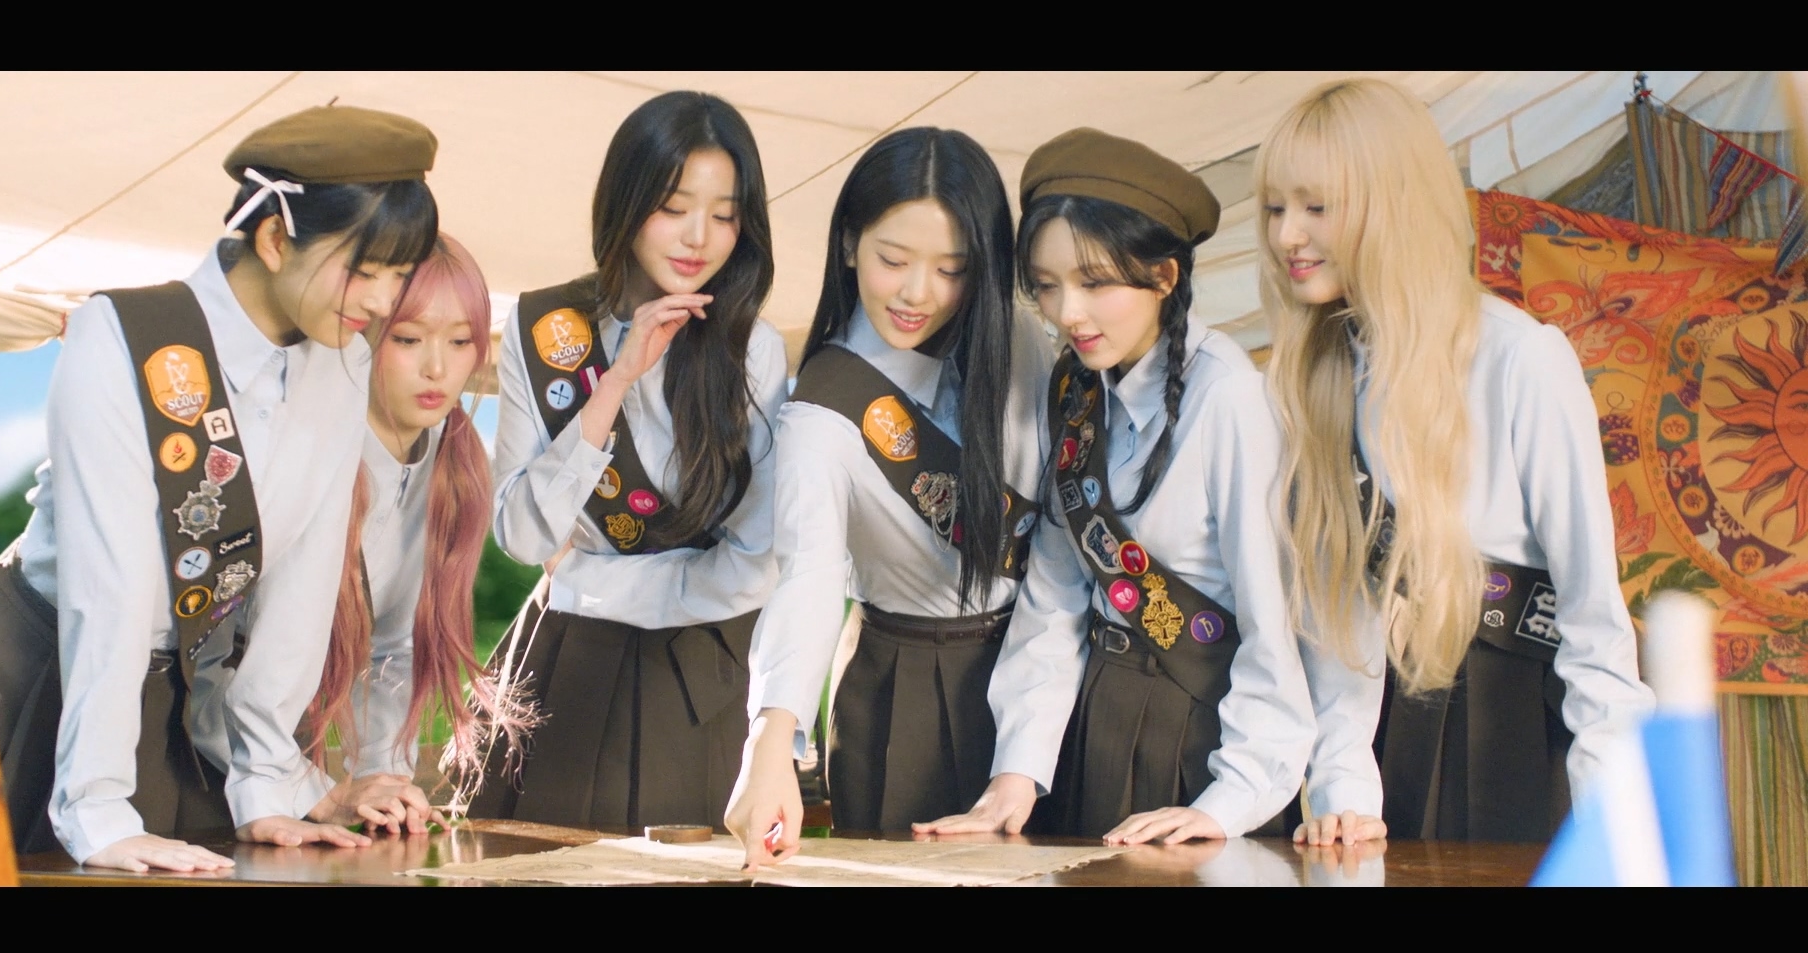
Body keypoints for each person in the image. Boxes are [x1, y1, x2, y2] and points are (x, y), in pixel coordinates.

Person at [0, 105, 444, 871]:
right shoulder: (128, 334)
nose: (380, 301)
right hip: (32, 670)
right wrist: (98, 806)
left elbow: (304, 578)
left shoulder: (345, 362)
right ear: (274, 239)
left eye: (400, 275)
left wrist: (268, 781)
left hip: (176, 693)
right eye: (363, 270)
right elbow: (109, 586)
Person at [1254, 79, 1655, 845]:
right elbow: (1337, 616)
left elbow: (1594, 621)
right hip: (1396, 725)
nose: (1286, 236)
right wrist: (1345, 788)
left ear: (1393, 203)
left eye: (1316, 207)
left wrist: (1616, 824)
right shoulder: (1308, 376)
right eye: (1275, 209)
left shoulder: (1521, 359)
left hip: (1524, 721)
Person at [918, 128, 1314, 844]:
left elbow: (1273, 625)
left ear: (1164, 275)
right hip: (1092, 718)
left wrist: (1228, 803)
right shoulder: (1077, 387)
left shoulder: (1228, 398)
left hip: (1201, 741)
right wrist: (1018, 769)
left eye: (1095, 282)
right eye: (1046, 285)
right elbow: (1056, 591)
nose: (1068, 312)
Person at [722, 128, 1053, 864]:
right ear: (849, 244)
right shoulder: (823, 410)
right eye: (893, 260)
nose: (917, 293)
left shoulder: (1025, 341)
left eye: (952, 268)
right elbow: (807, 579)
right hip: (902, 686)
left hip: (1045, 670)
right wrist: (770, 741)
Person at [472, 91, 787, 829]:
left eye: (725, 214)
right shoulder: (543, 330)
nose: (699, 238)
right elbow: (521, 535)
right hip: (564, 665)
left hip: (701, 671)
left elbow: (758, 561)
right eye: (674, 207)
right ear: (626, 200)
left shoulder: (753, 349)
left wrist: (596, 583)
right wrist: (613, 383)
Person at [310, 234, 537, 834]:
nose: (437, 368)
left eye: (460, 342)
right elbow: (221, 661)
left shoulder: (453, 460)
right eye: (408, 339)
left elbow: (393, 647)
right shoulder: (305, 449)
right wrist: (309, 790)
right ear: (358, 331)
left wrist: (383, 781)